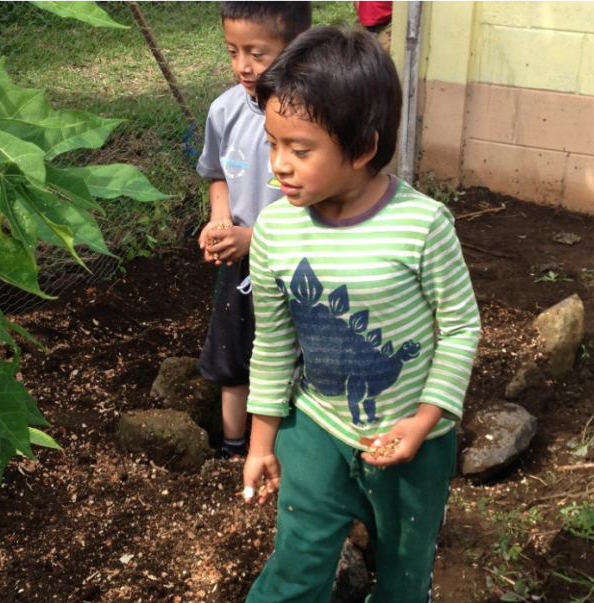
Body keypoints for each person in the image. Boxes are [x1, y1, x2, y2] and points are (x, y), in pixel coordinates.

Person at [241, 26, 481, 602]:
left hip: (413, 445)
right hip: (316, 428)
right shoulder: (274, 229)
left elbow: (460, 327)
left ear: (363, 147)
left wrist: (423, 421)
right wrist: (260, 443)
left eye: (300, 150)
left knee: (404, 574)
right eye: (272, 143)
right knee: (296, 566)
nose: (280, 166)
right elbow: (273, 344)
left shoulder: (422, 226)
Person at [196, 1, 312, 460]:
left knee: (288, 356)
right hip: (239, 261)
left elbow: (315, 206)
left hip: (294, 263)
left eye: (257, 53)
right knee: (234, 354)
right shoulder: (224, 111)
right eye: (232, 51)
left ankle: (286, 449)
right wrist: (220, 220)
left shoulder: (306, 116)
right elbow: (217, 174)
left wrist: (255, 238)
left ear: (295, 48)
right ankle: (232, 449)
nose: (243, 66)